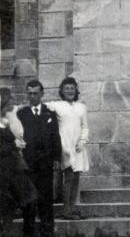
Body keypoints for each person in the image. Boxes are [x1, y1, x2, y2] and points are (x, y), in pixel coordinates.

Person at [17, 80, 61, 237]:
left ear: (42, 94)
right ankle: (28, 232)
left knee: (46, 199)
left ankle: (47, 232)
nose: (32, 96)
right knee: (29, 200)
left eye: (35, 93)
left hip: (45, 164)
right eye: (30, 93)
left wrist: (57, 158)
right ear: (27, 94)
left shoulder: (50, 114)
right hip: (28, 164)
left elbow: (56, 137)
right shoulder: (21, 114)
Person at [43, 77, 89, 220]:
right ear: (62, 91)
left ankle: (73, 208)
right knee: (68, 177)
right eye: (66, 88)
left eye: (72, 88)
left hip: (78, 146)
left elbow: (85, 126)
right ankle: (66, 211)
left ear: (76, 91)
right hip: (65, 144)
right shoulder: (57, 105)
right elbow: (39, 106)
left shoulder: (81, 107)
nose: (69, 91)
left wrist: (82, 140)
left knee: (76, 177)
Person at [0, 88, 36, 237]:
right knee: (7, 205)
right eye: (10, 101)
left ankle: (27, 233)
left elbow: (20, 107)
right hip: (3, 170)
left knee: (30, 198)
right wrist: (15, 145)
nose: (12, 104)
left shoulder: (5, 120)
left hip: (13, 168)